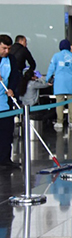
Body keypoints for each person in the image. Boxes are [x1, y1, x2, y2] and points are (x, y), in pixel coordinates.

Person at [46, 39, 72, 130]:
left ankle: (60, 122)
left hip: (59, 82)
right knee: (71, 103)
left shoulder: (56, 56)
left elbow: (51, 68)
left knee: (59, 103)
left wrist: (48, 79)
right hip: (71, 82)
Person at [0, 35, 21, 169]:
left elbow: (15, 76)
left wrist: (12, 88)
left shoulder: (11, 59)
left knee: (7, 131)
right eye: (3, 48)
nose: (6, 51)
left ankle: (5, 159)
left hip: (4, 102)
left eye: (8, 48)